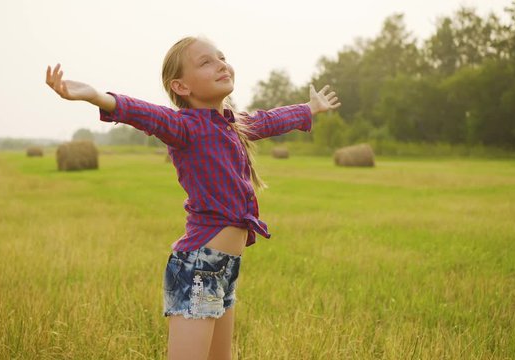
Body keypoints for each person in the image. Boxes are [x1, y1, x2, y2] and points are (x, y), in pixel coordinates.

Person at [45, 35, 340, 360]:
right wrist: (95, 96)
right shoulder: (184, 126)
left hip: (224, 267)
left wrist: (310, 108)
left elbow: (271, 120)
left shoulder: (234, 125)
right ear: (181, 87)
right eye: (206, 62)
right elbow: (146, 114)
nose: (221, 64)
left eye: (221, 57)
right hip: (199, 266)